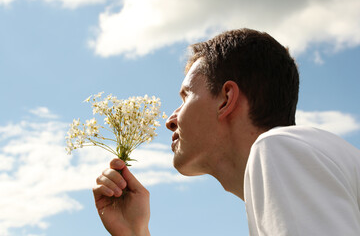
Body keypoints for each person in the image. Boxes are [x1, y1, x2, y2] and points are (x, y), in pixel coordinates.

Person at [93, 28, 360, 235]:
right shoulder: (300, 161)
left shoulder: (277, 147)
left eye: (186, 97)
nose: (170, 121)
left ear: (226, 99)